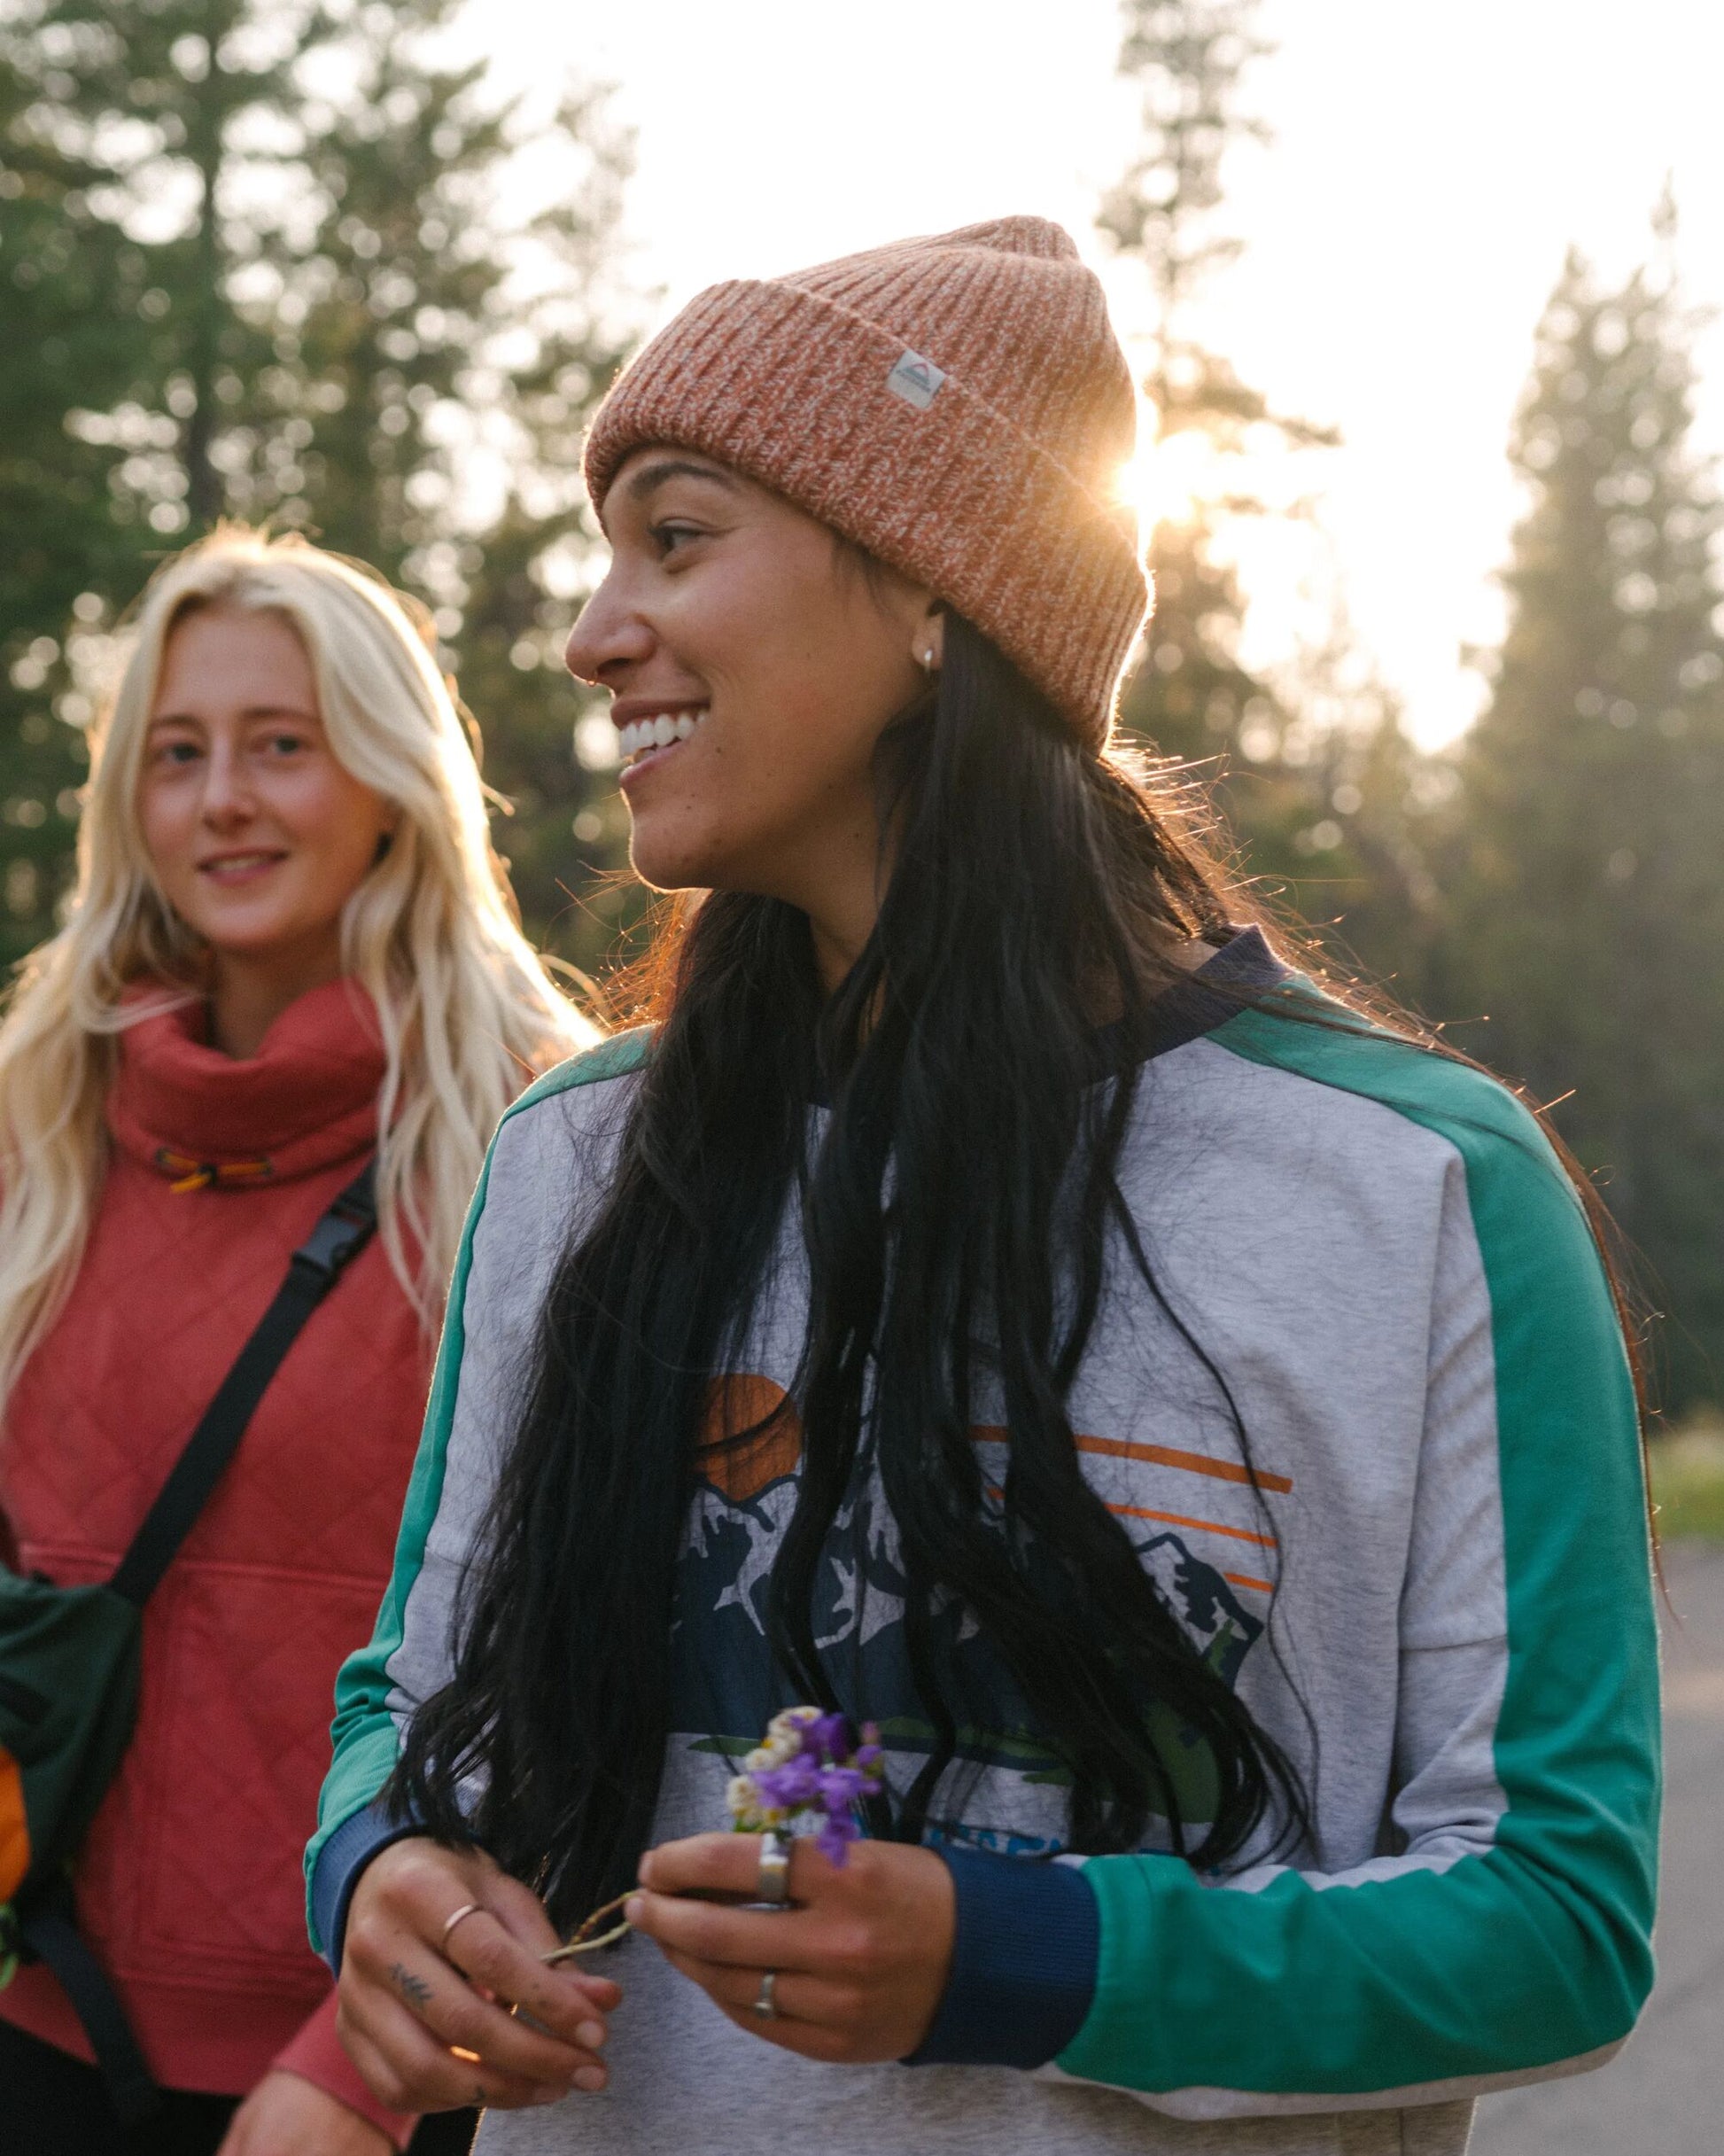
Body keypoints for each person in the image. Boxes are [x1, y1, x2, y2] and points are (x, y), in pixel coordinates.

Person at [310, 220, 1660, 2155]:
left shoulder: (1424, 1191)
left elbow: (1553, 1916)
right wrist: (380, 1873)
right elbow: (409, 1690)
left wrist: (1025, 1954)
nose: (597, 629)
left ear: (938, 593)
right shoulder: (575, 1154)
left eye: (676, 538)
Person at [0, 529, 595, 2155]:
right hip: (36, 2012)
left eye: (282, 743)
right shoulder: (37, 1107)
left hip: (379, 2057)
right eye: (177, 755)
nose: (223, 801)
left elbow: (581, 1636)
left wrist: (362, 2053)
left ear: (395, 776)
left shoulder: (547, 1130)